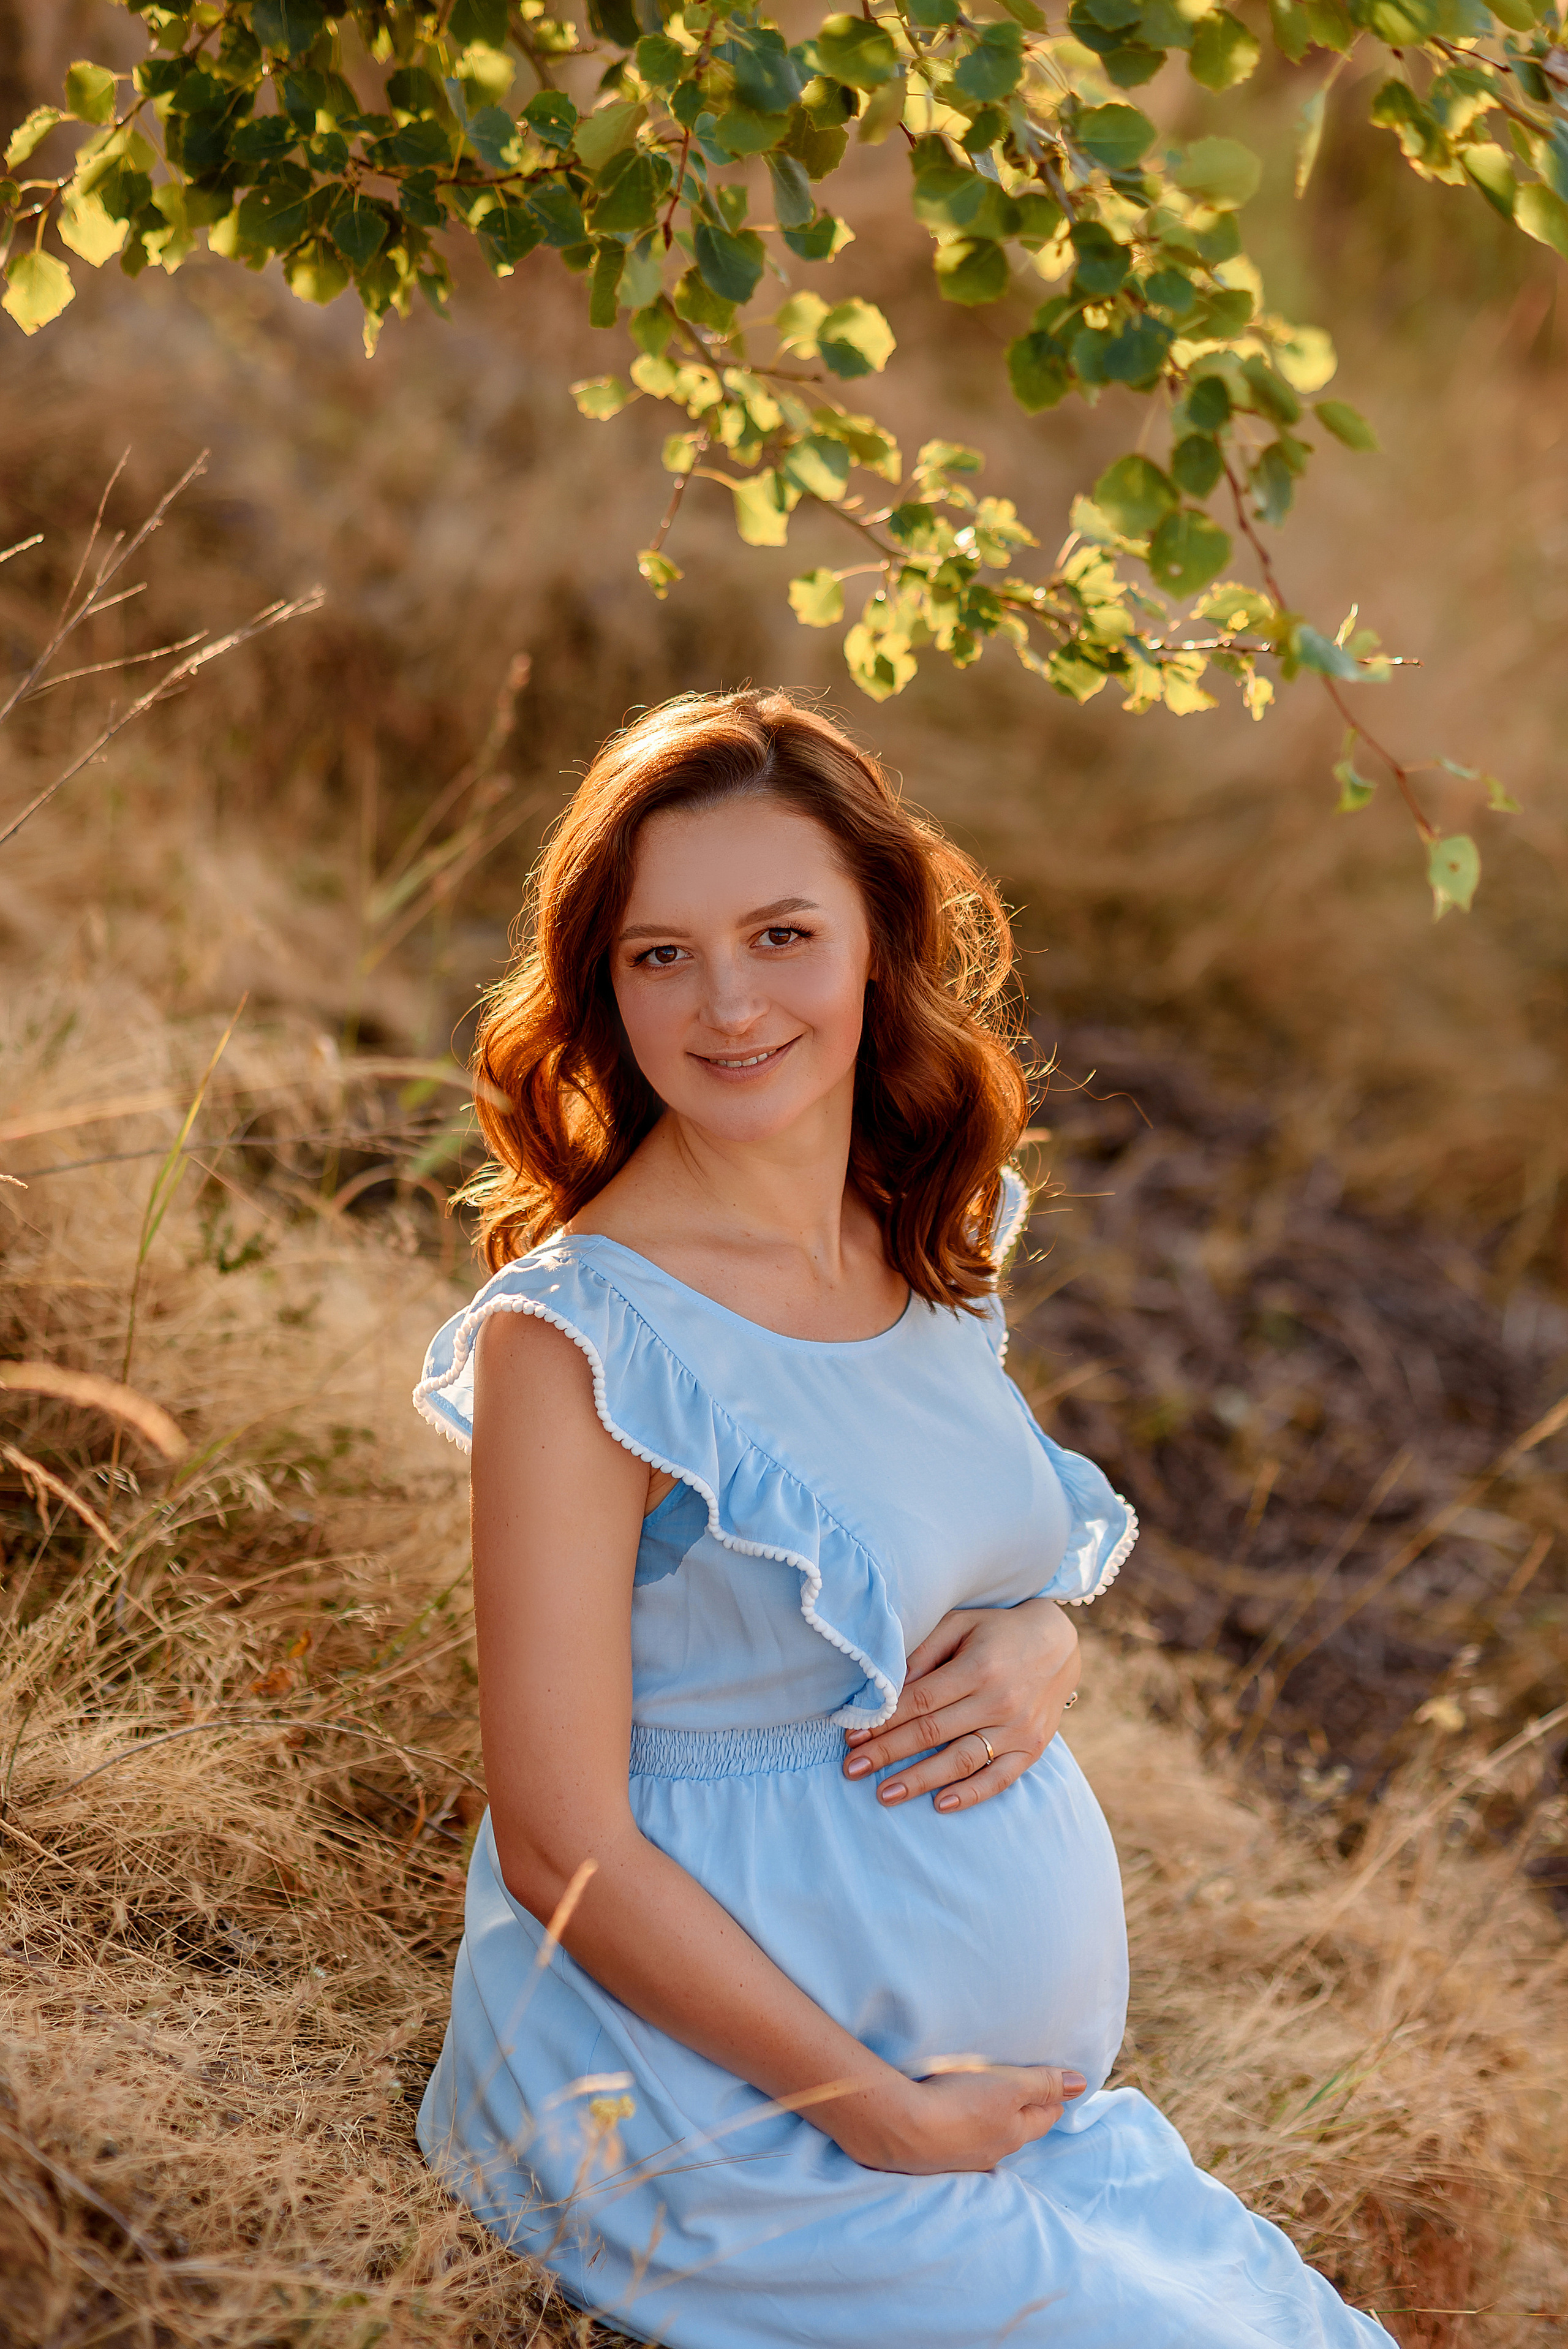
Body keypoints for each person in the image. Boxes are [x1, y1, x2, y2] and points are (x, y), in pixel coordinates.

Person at [413, 689, 1394, 2348]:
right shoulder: (578, 1337)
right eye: (661, 955)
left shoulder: (920, 1231)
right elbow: (560, 1839)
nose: (729, 1004)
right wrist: (875, 2109)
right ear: (602, 986)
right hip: (711, 2115)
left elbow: (948, 1542)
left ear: (879, 939)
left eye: (781, 935)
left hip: (998, 2117)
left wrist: (1043, 1636)